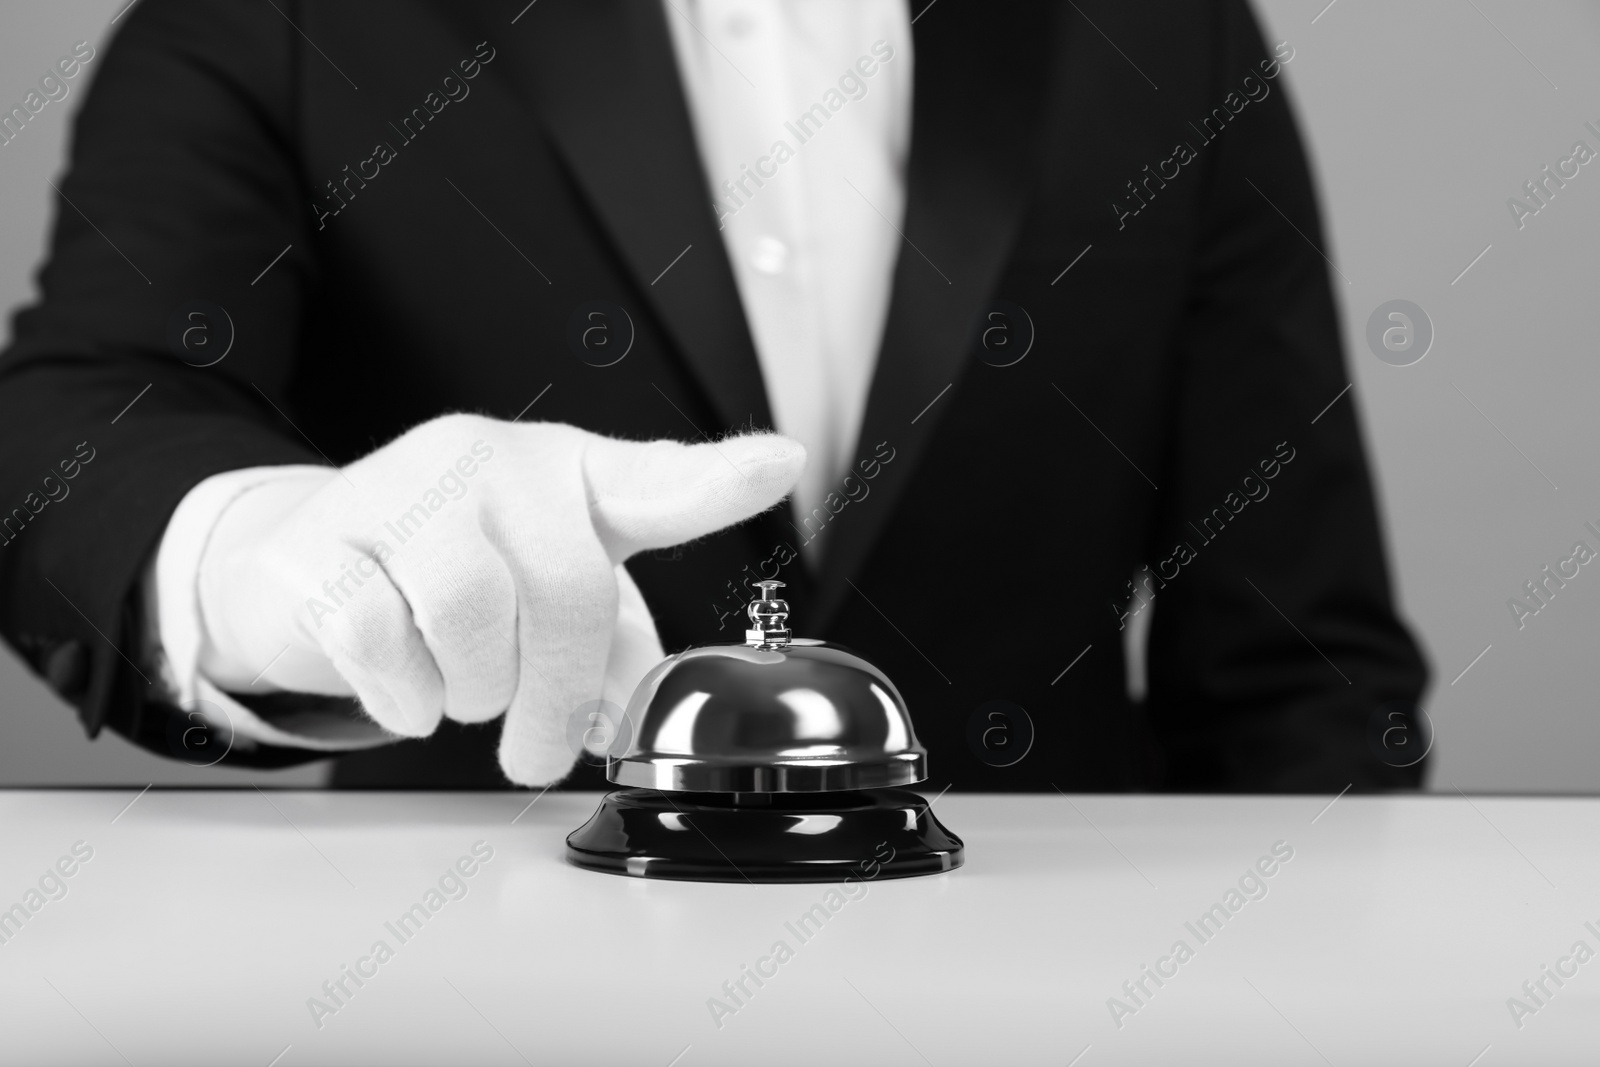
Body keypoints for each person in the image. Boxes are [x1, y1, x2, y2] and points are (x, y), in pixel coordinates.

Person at [0, 0, 1428, 792]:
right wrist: (276, 558)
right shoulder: (281, 17)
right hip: (471, 996)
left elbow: (1303, 664)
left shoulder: (1163, 30)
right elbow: (80, 413)